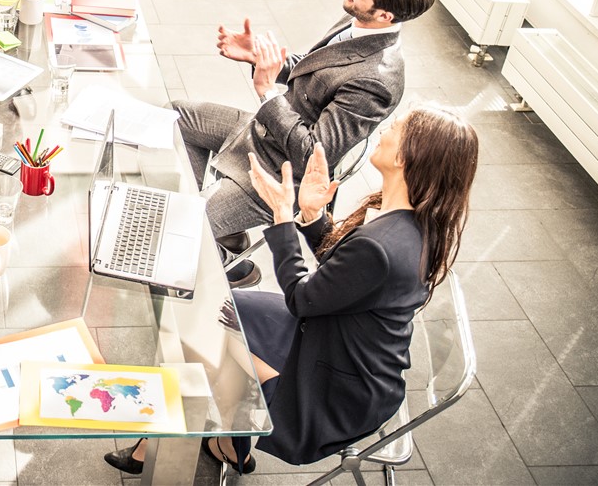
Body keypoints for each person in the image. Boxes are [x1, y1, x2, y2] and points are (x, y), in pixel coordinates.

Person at [104, 104, 478, 475]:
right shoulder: (411, 222)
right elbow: (345, 278)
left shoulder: (383, 245)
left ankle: (164, 447)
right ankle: (228, 448)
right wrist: (314, 218)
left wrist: (283, 217)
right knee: (210, 305)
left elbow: (302, 298)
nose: (385, 131)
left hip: (328, 397)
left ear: (409, 155)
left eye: (396, 128)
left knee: (194, 332)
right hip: (340, 345)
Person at [172, 0, 436, 287]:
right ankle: (218, 228)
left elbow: (314, 153)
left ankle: (220, 256)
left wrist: (267, 90)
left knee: (180, 226)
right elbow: (311, 70)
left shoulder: (378, 81)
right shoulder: (358, 17)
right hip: (261, 133)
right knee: (174, 117)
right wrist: (261, 59)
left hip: (281, 175)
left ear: (385, 15)